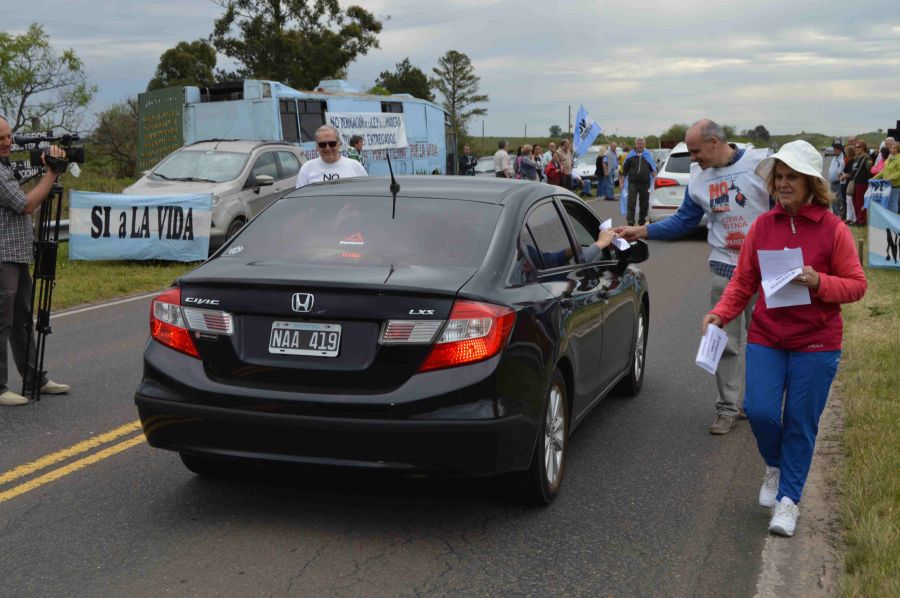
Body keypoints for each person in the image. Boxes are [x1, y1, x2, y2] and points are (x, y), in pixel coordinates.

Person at [702, 140, 866, 537]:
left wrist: (819, 281)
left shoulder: (834, 230)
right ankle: (775, 465)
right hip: (768, 337)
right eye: (779, 176)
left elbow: (856, 286)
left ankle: (788, 499)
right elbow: (743, 282)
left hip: (818, 343)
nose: (784, 182)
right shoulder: (762, 226)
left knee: (799, 422)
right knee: (759, 411)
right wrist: (720, 314)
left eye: (792, 176)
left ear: (811, 182)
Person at [616, 119, 771, 435]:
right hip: (724, 271)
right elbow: (684, 221)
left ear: (715, 142)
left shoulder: (760, 165)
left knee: (763, 344)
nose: (694, 158)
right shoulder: (699, 178)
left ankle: (758, 405)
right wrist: (641, 230)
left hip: (765, 273)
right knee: (725, 342)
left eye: (696, 151)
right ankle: (728, 408)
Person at [0, 116, 71, 405]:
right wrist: (51, 174)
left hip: (16, 253)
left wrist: (45, 168)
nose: (6, 142)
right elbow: (26, 204)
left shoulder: (6, 168)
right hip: (3, 256)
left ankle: (34, 379)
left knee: (21, 321)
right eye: (0, 139)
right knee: (2, 323)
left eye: (8, 136)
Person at [295, 125, 368, 188]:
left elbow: (366, 194)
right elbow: (299, 200)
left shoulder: (355, 167)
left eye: (332, 143)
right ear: (317, 147)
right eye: (322, 145)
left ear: (339, 143)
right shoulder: (307, 169)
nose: (327, 148)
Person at [621, 137, 657, 225]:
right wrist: (621, 183)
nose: (640, 145)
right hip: (633, 183)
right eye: (639, 143)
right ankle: (630, 221)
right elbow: (624, 171)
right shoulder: (630, 156)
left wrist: (656, 181)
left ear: (644, 144)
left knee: (644, 203)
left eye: (642, 144)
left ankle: (642, 221)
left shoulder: (648, 155)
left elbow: (653, 170)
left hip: (645, 183)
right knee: (631, 202)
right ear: (635, 144)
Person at [848, 141, 872, 225]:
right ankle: (857, 219)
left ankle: (862, 220)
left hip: (862, 183)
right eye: (855, 147)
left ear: (863, 148)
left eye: (859, 147)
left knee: (860, 202)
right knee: (855, 202)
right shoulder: (857, 158)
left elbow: (870, 171)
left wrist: (869, 183)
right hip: (855, 183)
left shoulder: (867, 158)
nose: (856, 149)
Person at [872, 141, 900, 213]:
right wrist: (874, 178)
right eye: (891, 148)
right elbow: (883, 171)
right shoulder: (889, 159)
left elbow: (898, 172)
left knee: (893, 202)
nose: (892, 149)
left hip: (894, 185)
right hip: (886, 184)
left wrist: (891, 177)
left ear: (898, 149)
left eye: (894, 148)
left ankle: (893, 219)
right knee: (887, 202)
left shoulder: (899, 159)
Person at [826, 142, 844, 217]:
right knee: (833, 199)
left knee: (838, 199)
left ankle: (839, 215)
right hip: (832, 182)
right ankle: (835, 215)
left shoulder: (841, 158)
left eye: (835, 149)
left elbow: (841, 170)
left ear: (839, 150)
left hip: (838, 182)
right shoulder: (834, 158)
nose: (834, 151)